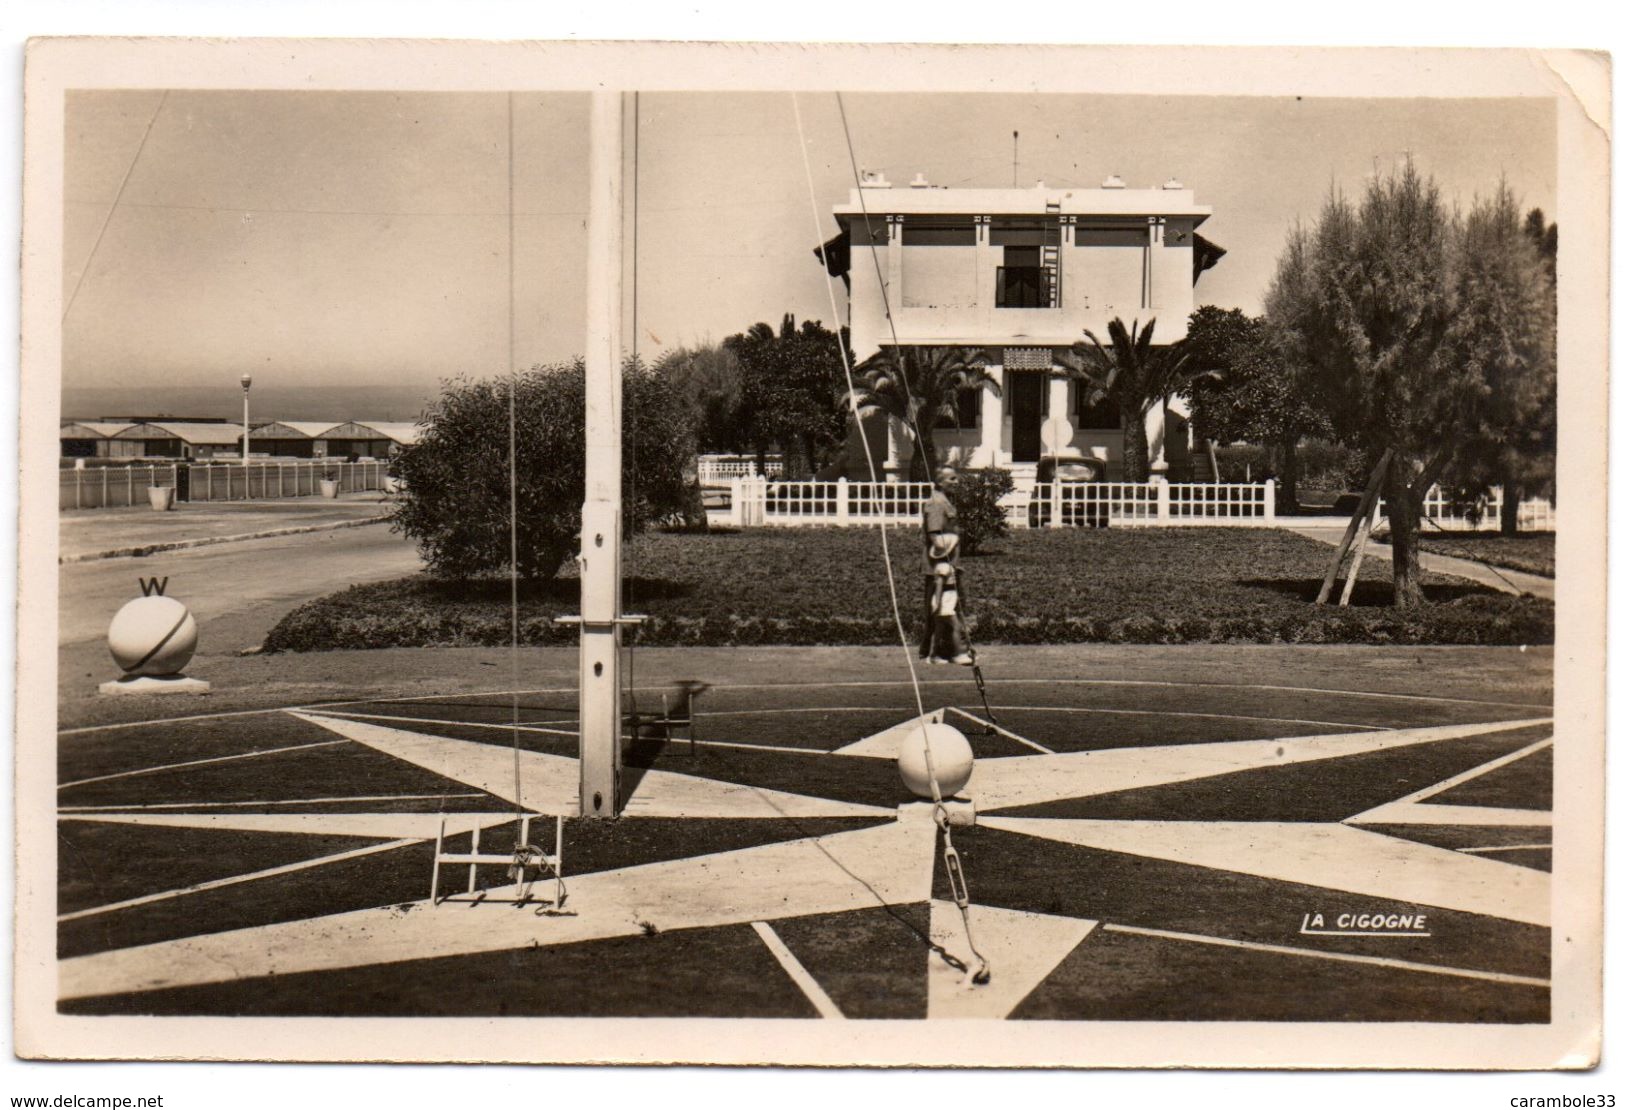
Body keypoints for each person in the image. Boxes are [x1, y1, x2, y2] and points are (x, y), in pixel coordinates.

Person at [921, 466, 973, 665]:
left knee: (949, 610)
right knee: (943, 611)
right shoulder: (936, 503)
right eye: (952, 479)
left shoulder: (945, 501)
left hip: (949, 564)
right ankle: (945, 652)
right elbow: (934, 536)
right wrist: (943, 564)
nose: (956, 482)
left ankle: (941, 651)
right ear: (940, 482)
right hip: (940, 566)